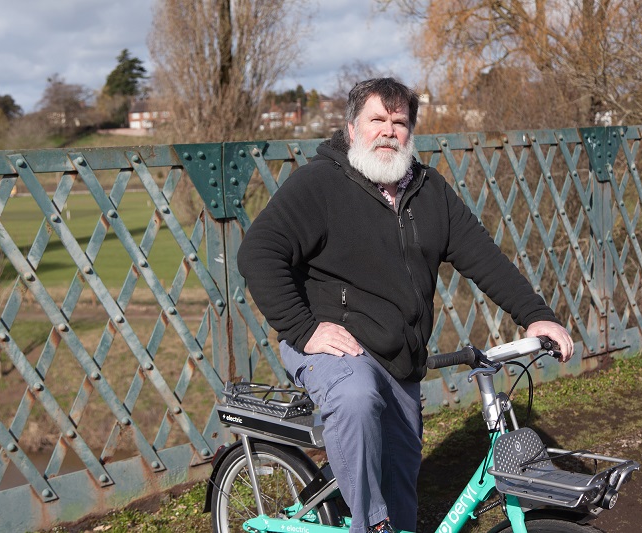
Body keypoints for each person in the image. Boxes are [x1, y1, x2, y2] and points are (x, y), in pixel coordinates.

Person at [237, 78, 574, 533]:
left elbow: (483, 257)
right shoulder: (319, 185)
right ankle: (370, 526)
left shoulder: (428, 191)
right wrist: (305, 328)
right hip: (332, 345)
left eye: (399, 123)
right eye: (377, 120)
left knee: (402, 485)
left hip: (399, 356)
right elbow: (258, 252)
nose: (388, 131)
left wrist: (537, 315)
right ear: (352, 128)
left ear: (410, 132)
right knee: (356, 399)